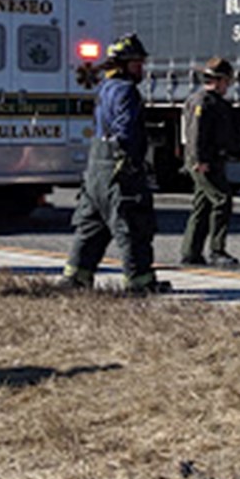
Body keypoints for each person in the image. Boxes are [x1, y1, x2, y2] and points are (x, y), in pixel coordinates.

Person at [61, 33, 169, 294]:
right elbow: (124, 130)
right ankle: (139, 282)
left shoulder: (104, 88)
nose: (141, 68)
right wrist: (133, 162)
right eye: (136, 63)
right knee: (132, 225)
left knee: (92, 226)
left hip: (96, 170)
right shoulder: (126, 90)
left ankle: (76, 277)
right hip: (118, 170)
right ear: (122, 64)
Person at [178, 57, 240, 267]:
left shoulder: (217, 103)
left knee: (202, 204)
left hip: (214, 159)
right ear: (217, 80)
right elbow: (195, 134)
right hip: (204, 161)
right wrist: (199, 159)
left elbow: (223, 135)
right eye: (227, 81)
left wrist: (236, 153)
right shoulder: (202, 102)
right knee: (222, 200)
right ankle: (217, 250)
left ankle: (191, 252)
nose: (228, 86)